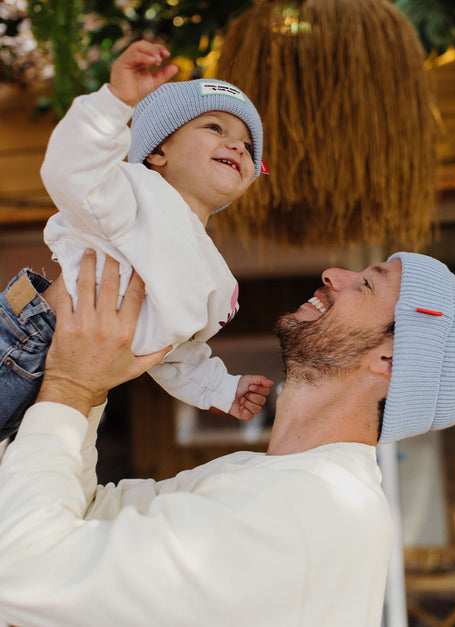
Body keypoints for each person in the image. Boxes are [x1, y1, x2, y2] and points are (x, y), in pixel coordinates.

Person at [0, 249, 455, 627]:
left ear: (390, 360)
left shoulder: (311, 511)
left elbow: (21, 569)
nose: (332, 274)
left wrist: (73, 382)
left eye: (366, 284)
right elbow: (85, 515)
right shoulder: (275, 484)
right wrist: (90, 388)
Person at [0, 40, 272, 442]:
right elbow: (73, 171)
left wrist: (221, 388)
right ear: (158, 151)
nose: (237, 145)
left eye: (248, 148)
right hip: (26, 341)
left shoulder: (216, 275)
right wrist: (114, 104)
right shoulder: (131, 191)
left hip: (71, 382)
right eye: (215, 127)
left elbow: (174, 350)